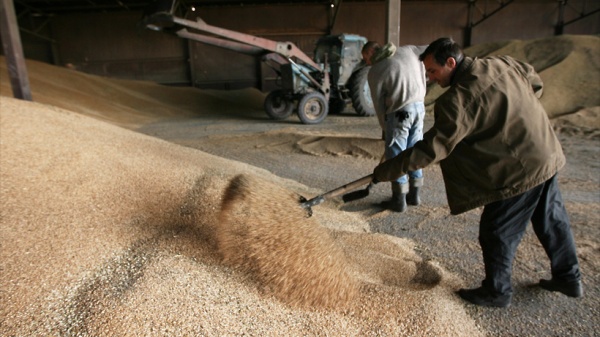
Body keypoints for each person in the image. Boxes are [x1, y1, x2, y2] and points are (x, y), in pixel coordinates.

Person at [371, 37, 582, 307]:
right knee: (551, 218)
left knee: (496, 231)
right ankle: (568, 277)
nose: (431, 78)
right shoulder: (502, 63)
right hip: (546, 152)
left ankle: (497, 291)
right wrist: (519, 111)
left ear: (451, 62)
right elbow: (534, 80)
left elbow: (432, 148)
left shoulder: (458, 100)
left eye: (433, 71)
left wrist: (386, 170)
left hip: (519, 169)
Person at [361, 41, 428, 212]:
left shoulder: (376, 70)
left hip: (400, 112)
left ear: (370, 52)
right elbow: (428, 49)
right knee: (414, 150)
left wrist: (385, 127)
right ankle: (415, 195)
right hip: (419, 108)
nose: (366, 62)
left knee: (396, 155)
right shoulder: (409, 50)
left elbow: (378, 103)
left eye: (365, 58)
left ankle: (399, 200)